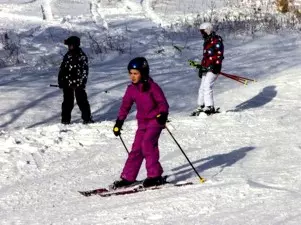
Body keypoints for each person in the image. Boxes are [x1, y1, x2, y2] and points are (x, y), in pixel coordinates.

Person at [112, 57, 169, 189]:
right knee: (136, 149)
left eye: (135, 73)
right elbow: (125, 106)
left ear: (143, 73)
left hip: (156, 120)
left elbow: (163, 103)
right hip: (142, 123)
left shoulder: (153, 87)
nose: (132, 76)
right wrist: (119, 122)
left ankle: (155, 176)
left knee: (148, 144)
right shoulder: (131, 89)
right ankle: (128, 177)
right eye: (130, 73)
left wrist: (163, 114)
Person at [58, 36, 94, 124]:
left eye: (71, 45)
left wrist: (82, 83)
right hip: (67, 83)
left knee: (82, 101)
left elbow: (85, 71)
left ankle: (87, 119)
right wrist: (61, 81)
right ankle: (65, 121)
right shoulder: (68, 55)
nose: (69, 47)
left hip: (79, 84)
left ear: (75, 45)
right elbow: (62, 69)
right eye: (69, 45)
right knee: (67, 102)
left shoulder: (81, 56)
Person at [190, 22, 224, 116]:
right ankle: (201, 105)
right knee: (202, 87)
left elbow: (219, 55)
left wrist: (216, 65)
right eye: (201, 32)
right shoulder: (207, 41)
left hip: (213, 67)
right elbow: (205, 57)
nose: (202, 34)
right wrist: (201, 67)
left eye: (203, 31)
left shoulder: (216, 40)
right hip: (206, 67)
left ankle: (209, 106)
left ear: (208, 30)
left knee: (207, 85)